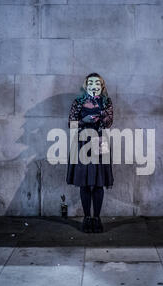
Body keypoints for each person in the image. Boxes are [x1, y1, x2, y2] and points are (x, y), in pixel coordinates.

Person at [66, 73, 114, 233]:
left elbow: (109, 122)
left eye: (97, 83)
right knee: (85, 182)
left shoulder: (106, 101)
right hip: (82, 143)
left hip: (100, 142)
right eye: (91, 83)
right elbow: (71, 123)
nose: (94, 86)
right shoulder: (78, 102)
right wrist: (82, 121)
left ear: (101, 86)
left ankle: (97, 218)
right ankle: (87, 218)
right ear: (86, 85)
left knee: (99, 182)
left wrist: (100, 111)